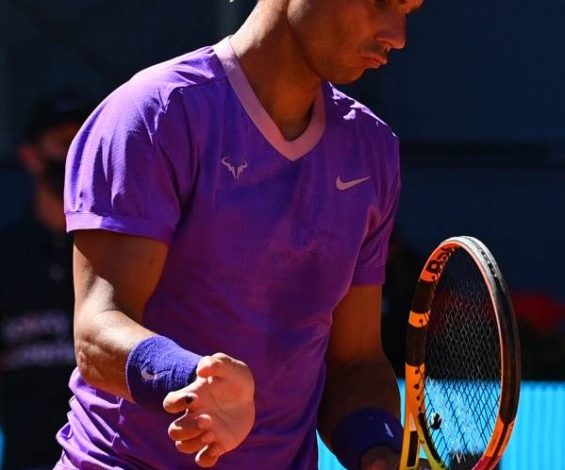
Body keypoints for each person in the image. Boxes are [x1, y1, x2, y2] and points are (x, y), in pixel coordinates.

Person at [55, 0, 425, 469]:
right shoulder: (155, 113)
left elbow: (354, 362)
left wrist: (378, 454)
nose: (397, 36)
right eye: (380, 2)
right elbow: (96, 332)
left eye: (409, 10)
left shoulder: (372, 151)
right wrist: (194, 379)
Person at [0, 93, 88, 470]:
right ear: (31, 156)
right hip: (25, 453)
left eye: (82, 141)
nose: (73, 155)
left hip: (103, 454)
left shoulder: (119, 252)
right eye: (62, 142)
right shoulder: (7, 255)